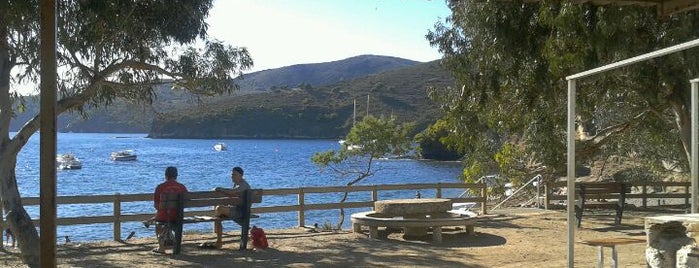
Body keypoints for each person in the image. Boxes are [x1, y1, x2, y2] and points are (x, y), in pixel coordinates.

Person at [152, 166, 188, 254]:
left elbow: (157, 206)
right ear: (176, 176)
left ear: (166, 175)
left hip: (163, 217)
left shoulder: (160, 187)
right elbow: (187, 203)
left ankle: (161, 247)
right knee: (172, 221)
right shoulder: (182, 187)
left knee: (158, 223)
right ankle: (175, 244)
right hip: (178, 216)